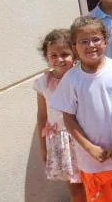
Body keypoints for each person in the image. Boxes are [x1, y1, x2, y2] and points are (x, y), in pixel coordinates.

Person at [50, 16, 112, 202]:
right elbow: (69, 119)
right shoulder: (71, 79)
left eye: (96, 39)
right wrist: (90, 148)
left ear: (105, 40)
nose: (91, 45)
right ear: (74, 46)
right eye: (83, 41)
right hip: (91, 162)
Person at [34, 29, 86, 202]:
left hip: (83, 137)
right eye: (53, 55)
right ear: (46, 56)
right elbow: (42, 117)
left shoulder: (81, 77)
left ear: (75, 53)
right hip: (61, 141)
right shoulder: (42, 84)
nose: (59, 59)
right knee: (75, 187)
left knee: (93, 181)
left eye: (64, 54)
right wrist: (43, 148)